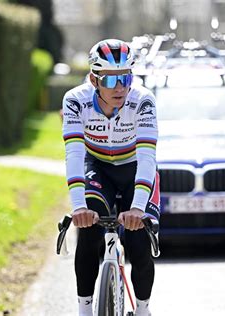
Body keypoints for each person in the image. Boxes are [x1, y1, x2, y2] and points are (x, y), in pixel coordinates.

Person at [62, 38, 160, 316]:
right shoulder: (74, 100)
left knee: (138, 241)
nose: (119, 88)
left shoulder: (143, 101)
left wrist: (138, 208)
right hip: (98, 166)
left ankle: (142, 309)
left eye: (125, 78)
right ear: (94, 80)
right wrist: (78, 206)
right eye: (109, 81)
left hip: (134, 169)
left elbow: (147, 157)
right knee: (89, 229)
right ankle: (84, 309)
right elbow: (74, 154)